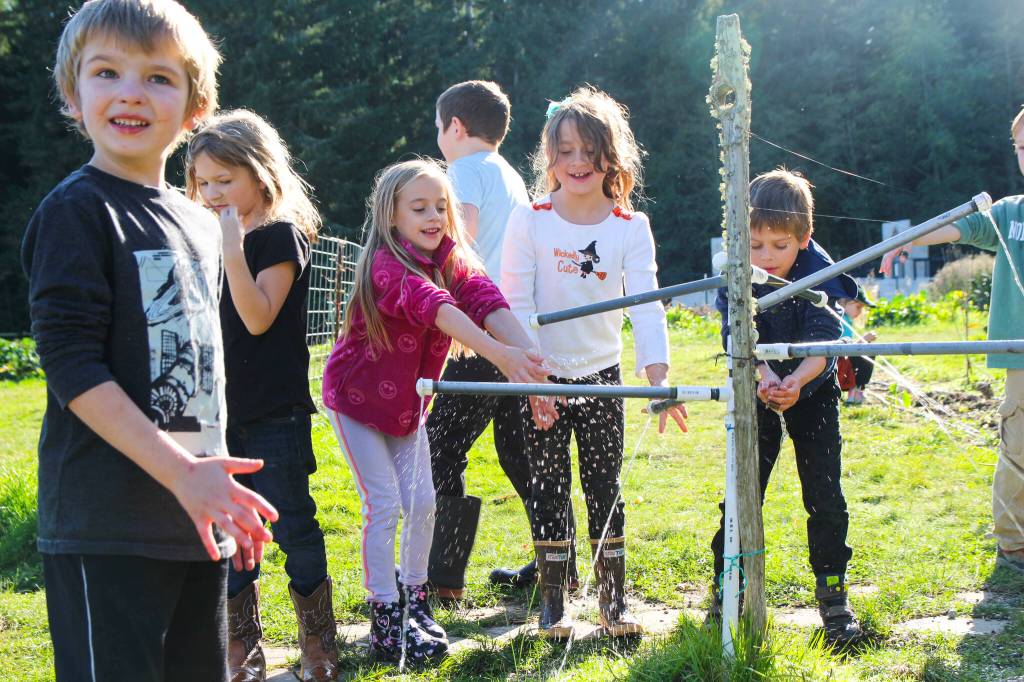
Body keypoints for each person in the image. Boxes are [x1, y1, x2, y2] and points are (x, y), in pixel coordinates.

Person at [20, 2, 279, 680]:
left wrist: (214, 486)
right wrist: (184, 477)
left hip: (194, 524)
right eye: (107, 72)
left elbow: (196, 371)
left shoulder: (197, 222)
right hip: (107, 528)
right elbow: (70, 368)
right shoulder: (77, 212)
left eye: (159, 78)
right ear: (74, 97)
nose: (132, 92)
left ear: (196, 108)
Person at [321, 159, 551, 663]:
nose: (433, 217)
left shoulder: (451, 257)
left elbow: (485, 299)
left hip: (407, 407)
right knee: (383, 505)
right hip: (357, 403)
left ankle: (416, 600)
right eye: (419, 208)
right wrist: (502, 357)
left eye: (441, 207)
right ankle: (384, 613)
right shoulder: (387, 266)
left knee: (423, 503)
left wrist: (529, 361)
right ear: (391, 217)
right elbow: (436, 308)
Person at [501, 86, 688, 638]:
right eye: (565, 150)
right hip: (542, 376)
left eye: (590, 150)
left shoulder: (630, 227)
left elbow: (646, 306)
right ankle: (554, 605)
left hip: (603, 376)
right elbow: (517, 305)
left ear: (613, 157)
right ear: (550, 157)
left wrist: (659, 379)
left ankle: (614, 605)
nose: (578, 162)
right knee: (548, 485)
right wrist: (532, 378)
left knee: (605, 484)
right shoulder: (529, 220)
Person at [186, 109, 336, 682]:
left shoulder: (280, 235)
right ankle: (242, 651)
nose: (213, 192)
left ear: (260, 171)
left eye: (226, 179)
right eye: (204, 181)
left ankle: (318, 644)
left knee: (294, 525)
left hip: (275, 413)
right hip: (216, 414)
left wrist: (228, 244)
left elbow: (255, 318)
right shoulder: (199, 234)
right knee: (228, 534)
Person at [712, 169, 865, 646]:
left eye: (780, 245)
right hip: (755, 384)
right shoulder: (736, 269)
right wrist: (764, 375)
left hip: (812, 390)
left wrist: (797, 379)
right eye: (756, 245)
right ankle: (725, 585)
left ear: (804, 237)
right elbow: (735, 333)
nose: (767, 257)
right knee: (743, 490)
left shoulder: (821, 273)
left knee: (824, 493)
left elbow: (826, 341)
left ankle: (833, 593)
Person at [427, 80, 564, 598]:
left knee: (440, 447)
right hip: (517, 330)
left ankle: (442, 577)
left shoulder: (460, 172)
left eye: (438, 127)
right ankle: (556, 561)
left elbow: (453, 245)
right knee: (517, 452)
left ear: (455, 127)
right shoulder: (506, 173)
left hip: (477, 334)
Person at [880, 107, 1024, 575]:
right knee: (1018, 448)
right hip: (1019, 355)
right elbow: (962, 227)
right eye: (1022, 147)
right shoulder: (1009, 213)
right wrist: (910, 239)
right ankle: (1014, 546)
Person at [837, 287, 877, 406]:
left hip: (842, 363)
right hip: (838, 364)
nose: (859, 312)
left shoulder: (846, 320)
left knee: (866, 351)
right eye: (858, 307)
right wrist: (863, 340)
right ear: (844, 302)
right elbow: (842, 348)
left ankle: (855, 390)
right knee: (868, 352)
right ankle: (856, 391)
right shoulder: (839, 320)